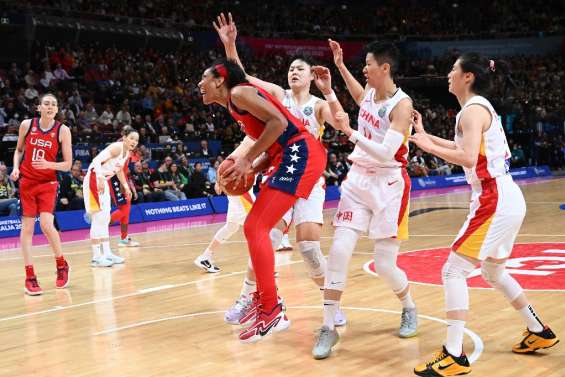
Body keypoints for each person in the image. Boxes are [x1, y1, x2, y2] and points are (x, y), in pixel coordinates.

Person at [411, 53, 559, 377]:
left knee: (453, 271)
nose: (448, 74)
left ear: (468, 77)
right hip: (506, 196)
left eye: (453, 69)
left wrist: (428, 146)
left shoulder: (472, 111)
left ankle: (453, 354)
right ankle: (538, 330)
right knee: (493, 272)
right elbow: (462, 149)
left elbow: (464, 157)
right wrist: (424, 137)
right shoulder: (476, 109)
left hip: (494, 197)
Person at [214, 13, 346, 326]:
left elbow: (342, 123)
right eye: (290, 69)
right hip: (280, 174)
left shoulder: (316, 105)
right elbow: (242, 80)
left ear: (310, 75)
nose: (294, 72)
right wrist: (230, 44)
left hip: (309, 179)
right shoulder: (277, 95)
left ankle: (331, 304)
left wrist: (329, 91)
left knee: (310, 248)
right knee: (264, 238)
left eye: (300, 68)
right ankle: (250, 298)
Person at [198, 58, 326, 342]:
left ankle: (272, 309)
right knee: (255, 227)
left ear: (219, 80)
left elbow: (280, 124)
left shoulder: (239, 92)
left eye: (203, 78)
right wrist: (252, 167)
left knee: (255, 227)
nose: (199, 84)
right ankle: (266, 303)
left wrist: (245, 159)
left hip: (301, 154)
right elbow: (278, 138)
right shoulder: (234, 102)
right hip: (288, 156)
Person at [312, 40, 418, 359]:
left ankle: (409, 307)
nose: (365, 68)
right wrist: (338, 70)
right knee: (340, 251)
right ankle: (328, 327)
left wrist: (351, 134)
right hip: (358, 179)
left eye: (368, 64)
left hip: (389, 184)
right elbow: (359, 96)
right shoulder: (370, 94)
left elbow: (387, 151)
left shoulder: (402, 105)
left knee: (385, 265)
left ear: (384, 68)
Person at [10, 93, 72, 295]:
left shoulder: (63, 130)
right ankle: (30, 277)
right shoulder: (27, 125)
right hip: (27, 182)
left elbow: (67, 165)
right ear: (39, 107)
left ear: (56, 109)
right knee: (27, 228)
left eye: (54, 104)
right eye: (46, 103)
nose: (50, 106)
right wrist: (16, 167)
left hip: (48, 183)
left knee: (46, 224)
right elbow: (18, 150)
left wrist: (48, 164)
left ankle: (61, 264)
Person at [83, 126, 138, 267]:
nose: (134, 142)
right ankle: (96, 257)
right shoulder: (117, 147)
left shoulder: (127, 153)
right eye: (131, 138)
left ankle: (107, 253)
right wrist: (100, 177)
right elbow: (96, 160)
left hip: (104, 181)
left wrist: (126, 187)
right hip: (94, 179)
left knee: (106, 217)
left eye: (136, 140)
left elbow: (118, 171)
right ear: (124, 137)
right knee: (98, 218)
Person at [109, 155, 140, 248]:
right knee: (124, 210)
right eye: (131, 139)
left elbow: (125, 172)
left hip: (123, 180)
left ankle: (124, 238)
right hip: (116, 181)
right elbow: (117, 170)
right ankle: (102, 225)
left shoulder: (129, 155)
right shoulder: (119, 152)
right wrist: (124, 186)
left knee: (126, 211)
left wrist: (129, 187)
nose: (134, 142)